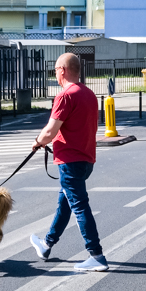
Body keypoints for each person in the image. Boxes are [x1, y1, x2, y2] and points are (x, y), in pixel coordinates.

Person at [30, 53, 107, 271]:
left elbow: (50, 131)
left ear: (62, 70)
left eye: (55, 69)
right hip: (86, 159)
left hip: (70, 160)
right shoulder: (89, 94)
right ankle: (47, 244)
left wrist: (38, 142)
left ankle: (97, 255)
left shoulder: (65, 96)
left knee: (79, 206)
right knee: (65, 203)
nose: (55, 73)